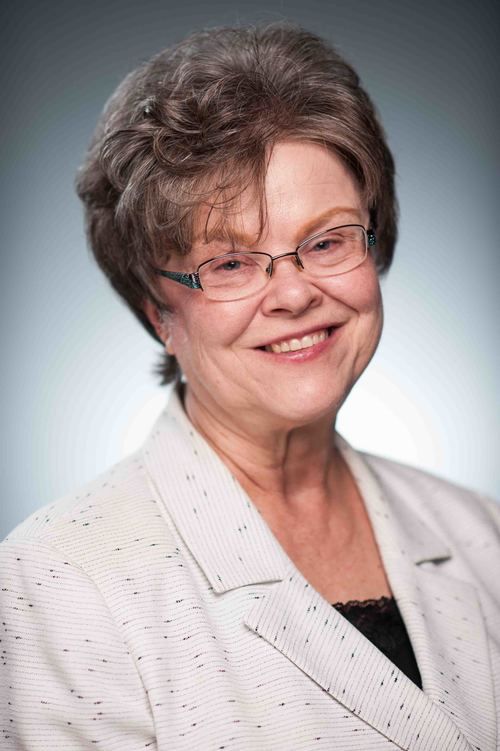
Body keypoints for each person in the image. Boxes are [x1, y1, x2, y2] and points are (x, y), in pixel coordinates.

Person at [1, 23, 498, 751]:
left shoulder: (484, 533)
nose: (294, 294)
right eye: (230, 262)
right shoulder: (61, 579)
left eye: (326, 240)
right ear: (159, 312)